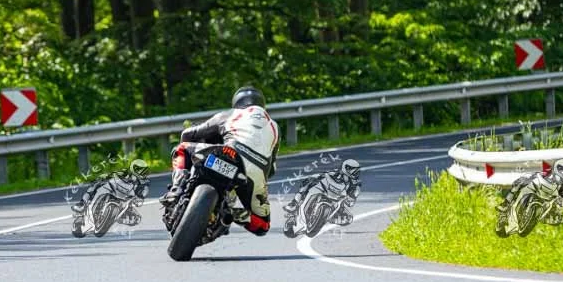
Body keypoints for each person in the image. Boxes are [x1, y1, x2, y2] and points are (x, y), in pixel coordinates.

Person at [160, 86, 279, 236]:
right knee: (263, 226)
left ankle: (176, 189)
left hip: (229, 153)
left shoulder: (231, 114)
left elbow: (188, 134)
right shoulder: (275, 127)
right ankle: (240, 215)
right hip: (256, 173)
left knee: (182, 148)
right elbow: (272, 169)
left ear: (237, 103)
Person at [283, 159, 362, 235]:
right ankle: (294, 203)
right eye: (354, 170)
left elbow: (355, 194)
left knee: (348, 219)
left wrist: (351, 198)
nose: (356, 173)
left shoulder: (355, 183)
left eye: (357, 171)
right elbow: (323, 174)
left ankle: (327, 219)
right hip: (325, 191)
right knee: (307, 182)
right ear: (347, 168)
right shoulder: (335, 173)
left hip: (338, 200)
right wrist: (315, 178)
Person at [72, 158, 152, 226]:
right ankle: (82, 204)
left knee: (137, 219)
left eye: (144, 171)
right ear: (134, 168)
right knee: (95, 185)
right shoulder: (125, 172)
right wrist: (103, 177)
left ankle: (116, 218)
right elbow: (112, 174)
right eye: (141, 170)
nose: (143, 172)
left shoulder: (144, 182)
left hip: (127, 200)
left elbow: (145, 190)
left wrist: (140, 197)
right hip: (115, 191)